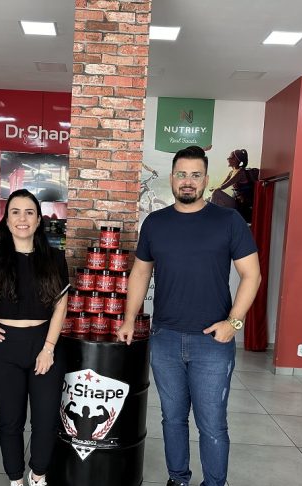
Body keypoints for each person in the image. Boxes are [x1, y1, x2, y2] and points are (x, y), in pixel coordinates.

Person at [118, 146, 261, 486]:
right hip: (165, 339)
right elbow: (140, 273)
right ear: (171, 178)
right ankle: (178, 479)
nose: (187, 181)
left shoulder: (228, 221)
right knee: (172, 419)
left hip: (213, 342)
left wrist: (234, 322)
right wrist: (129, 318)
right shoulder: (155, 223)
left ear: (206, 180)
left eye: (195, 175)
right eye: (181, 174)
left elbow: (252, 275)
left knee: (212, 424)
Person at [0, 189, 70, 486]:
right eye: (15, 212)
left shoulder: (55, 258)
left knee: (46, 421)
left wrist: (48, 348)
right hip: (3, 348)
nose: (22, 218)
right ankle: (15, 479)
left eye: (29, 212)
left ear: (39, 220)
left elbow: (61, 305)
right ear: (6, 220)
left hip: (44, 345)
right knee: (10, 422)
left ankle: (38, 475)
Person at [210, 149, 256, 222]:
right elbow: (221, 185)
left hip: (240, 205)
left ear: (235, 160)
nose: (228, 159)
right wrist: (214, 188)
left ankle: (209, 218)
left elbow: (224, 186)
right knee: (214, 197)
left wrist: (216, 188)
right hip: (235, 201)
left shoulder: (240, 172)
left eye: (230, 157)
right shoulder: (231, 172)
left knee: (216, 193)